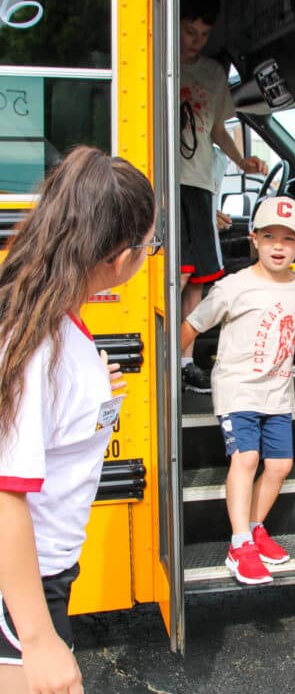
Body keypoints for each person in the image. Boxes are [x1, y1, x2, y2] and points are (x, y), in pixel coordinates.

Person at [0, 145, 158, 694]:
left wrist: (91, 394)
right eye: (149, 245)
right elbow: (4, 494)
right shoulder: (38, 345)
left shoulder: (52, 314)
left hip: (40, 575)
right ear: (118, 257)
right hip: (21, 584)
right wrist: (39, 640)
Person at [181, 196, 295, 585]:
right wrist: (166, 368)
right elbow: (193, 325)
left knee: (279, 466)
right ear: (253, 239)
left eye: (289, 239)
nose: (278, 246)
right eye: (270, 237)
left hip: (278, 392)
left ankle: (256, 527)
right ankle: (239, 543)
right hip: (237, 389)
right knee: (246, 458)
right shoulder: (233, 287)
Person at [179, 0, 267, 394]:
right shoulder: (157, 59)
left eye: (202, 35)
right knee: (173, 277)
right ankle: (162, 357)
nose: (195, 42)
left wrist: (240, 161)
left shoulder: (212, 74)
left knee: (198, 278)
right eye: (188, 31)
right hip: (165, 183)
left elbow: (215, 129)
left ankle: (184, 360)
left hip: (198, 183)